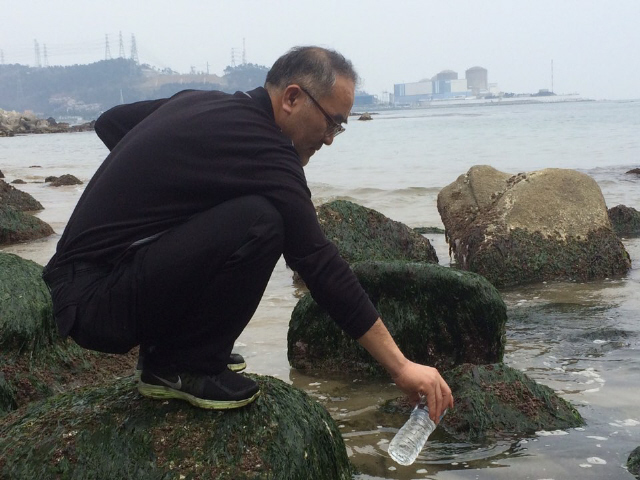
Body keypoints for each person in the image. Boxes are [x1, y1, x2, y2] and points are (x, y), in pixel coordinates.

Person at [42, 46, 453, 419]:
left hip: (80, 284)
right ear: (292, 98)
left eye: (338, 129)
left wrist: (171, 186)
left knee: (245, 212)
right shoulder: (267, 149)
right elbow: (317, 261)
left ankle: (175, 350)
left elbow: (112, 122)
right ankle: (185, 365)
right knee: (263, 219)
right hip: (95, 304)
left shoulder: (203, 104)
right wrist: (401, 367)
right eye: (332, 122)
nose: (330, 139)